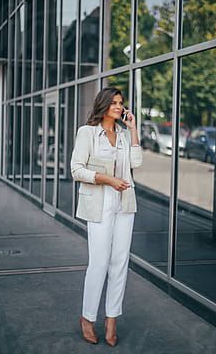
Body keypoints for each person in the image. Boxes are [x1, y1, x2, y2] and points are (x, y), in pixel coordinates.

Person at [70, 87, 142, 346]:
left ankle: (112, 318)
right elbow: (76, 170)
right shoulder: (87, 133)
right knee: (99, 262)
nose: (118, 106)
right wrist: (107, 179)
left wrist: (133, 129)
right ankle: (88, 318)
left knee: (120, 262)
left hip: (124, 203)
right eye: (113, 102)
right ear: (103, 105)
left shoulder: (123, 135)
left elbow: (136, 164)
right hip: (99, 203)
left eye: (121, 103)